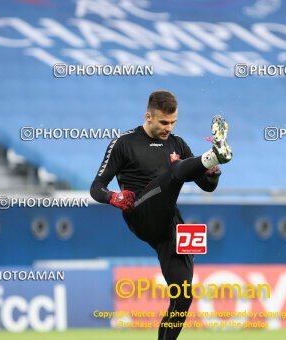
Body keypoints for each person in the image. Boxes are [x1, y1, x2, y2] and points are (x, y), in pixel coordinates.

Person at [90, 90, 232, 340]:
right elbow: (96, 187)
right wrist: (113, 197)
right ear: (149, 116)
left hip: (168, 220)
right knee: (176, 170)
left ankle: (213, 159)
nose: (169, 128)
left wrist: (213, 174)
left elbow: (207, 187)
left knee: (184, 296)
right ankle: (212, 155)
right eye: (164, 122)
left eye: (173, 122)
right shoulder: (123, 143)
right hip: (140, 213)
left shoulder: (177, 143)